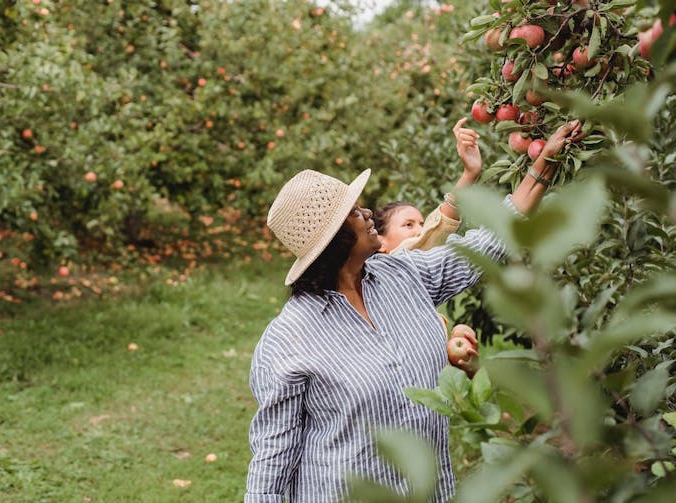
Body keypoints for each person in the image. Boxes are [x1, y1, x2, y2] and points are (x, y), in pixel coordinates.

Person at [245, 120, 583, 503]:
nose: (369, 212)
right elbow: (273, 459)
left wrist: (544, 166)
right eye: (355, 212)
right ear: (335, 239)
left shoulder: (403, 275)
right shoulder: (288, 339)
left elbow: (489, 241)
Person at [373, 118, 483, 372]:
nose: (420, 230)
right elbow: (438, 227)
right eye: (408, 225)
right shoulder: (390, 266)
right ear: (380, 242)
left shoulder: (418, 282)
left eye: (421, 223)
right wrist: (469, 174)